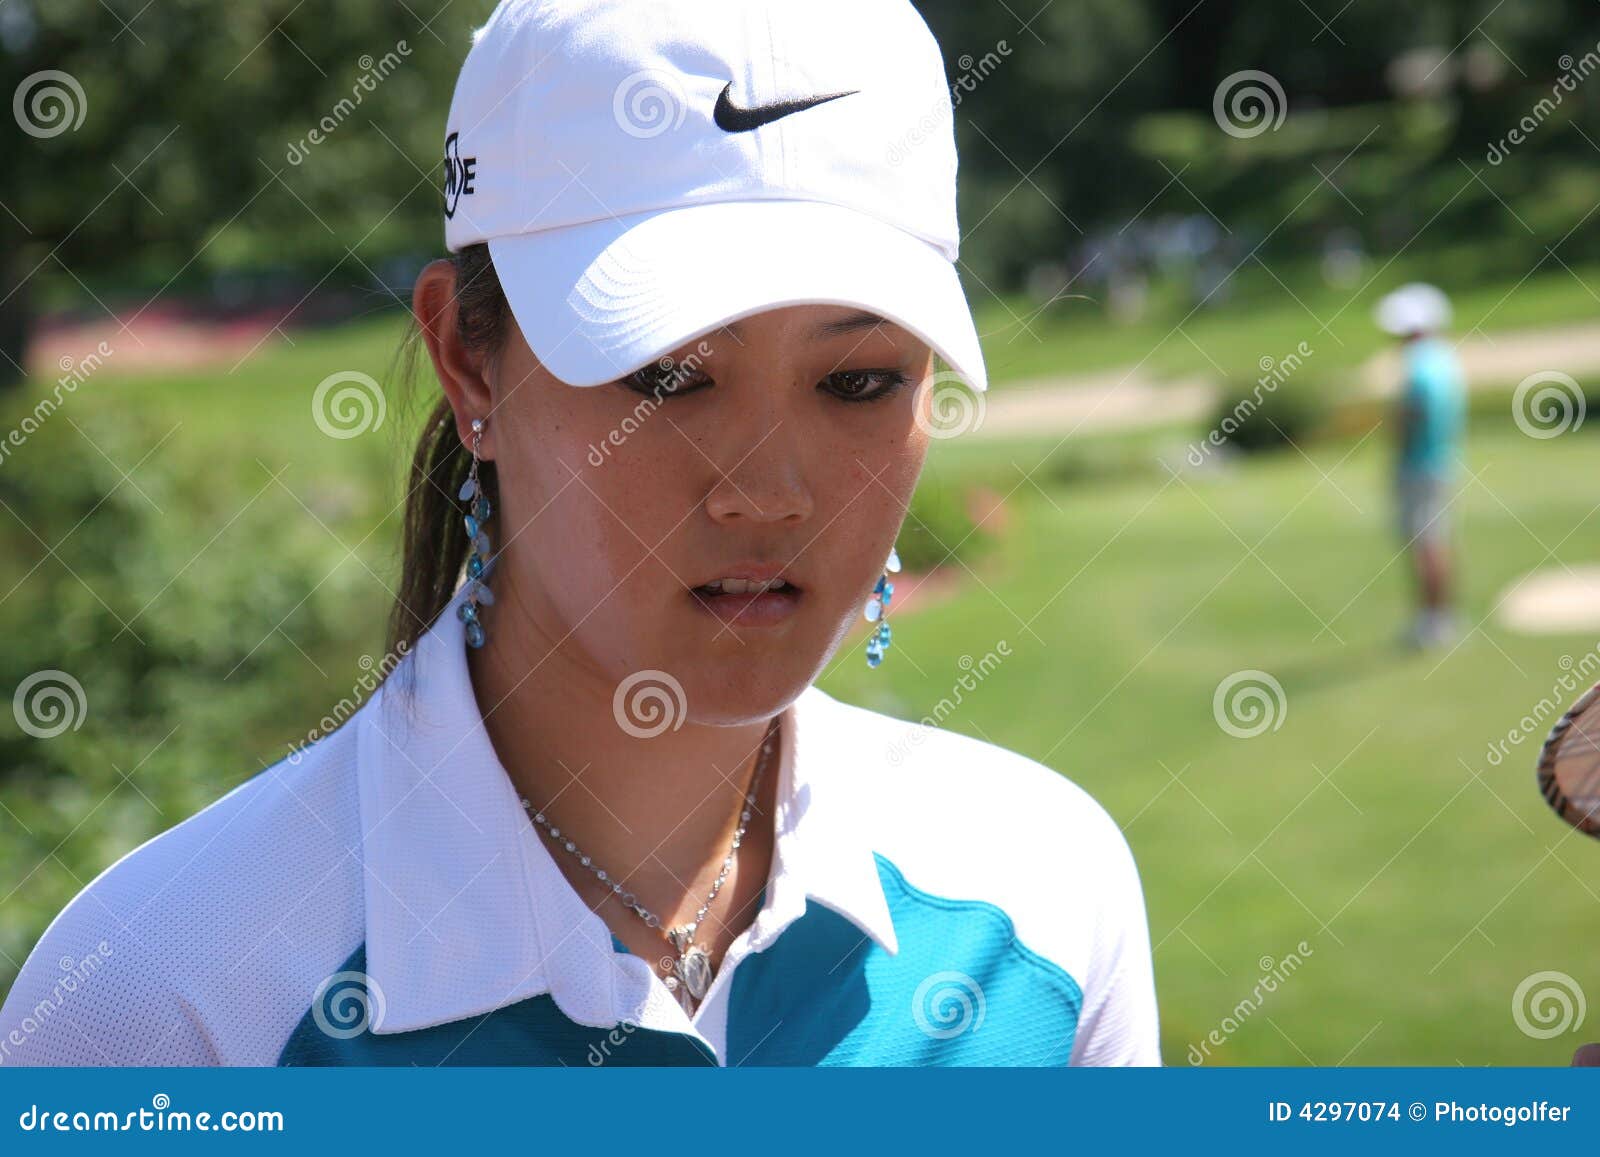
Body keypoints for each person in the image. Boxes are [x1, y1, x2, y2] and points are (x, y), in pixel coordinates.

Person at [0, 0, 1160, 1067]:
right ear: (469, 363)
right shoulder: (164, 1001)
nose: (768, 491)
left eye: (857, 381)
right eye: (665, 376)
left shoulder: (1043, 897)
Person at [1374, 283, 1466, 649]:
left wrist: (1396, 435)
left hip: (1420, 464)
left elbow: (1412, 414)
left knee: (1426, 543)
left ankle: (1435, 621)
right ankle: (1439, 617)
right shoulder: (1444, 357)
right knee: (1435, 539)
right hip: (1439, 461)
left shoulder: (1419, 364)